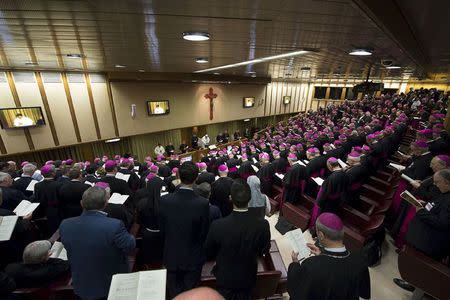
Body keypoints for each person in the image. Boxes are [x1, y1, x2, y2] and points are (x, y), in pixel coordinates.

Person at [60, 186, 135, 300]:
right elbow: (129, 245)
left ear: (81, 203)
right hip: (109, 283)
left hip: (81, 282)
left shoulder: (65, 224)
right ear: (105, 204)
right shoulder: (114, 225)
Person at [205, 180, 271, 300]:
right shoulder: (263, 224)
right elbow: (264, 249)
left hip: (224, 277)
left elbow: (209, 251)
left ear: (230, 198)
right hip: (248, 275)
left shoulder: (218, 225)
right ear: (249, 198)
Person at [287, 213, 370, 300]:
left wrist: (295, 265)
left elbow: (296, 291)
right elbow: (363, 293)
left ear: (321, 235)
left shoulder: (311, 264)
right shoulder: (360, 260)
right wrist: (322, 256)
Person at [159, 162, 209, 298]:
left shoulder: (164, 200)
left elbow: (162, 230)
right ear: (196, 178)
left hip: (171, 256)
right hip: (193, 257)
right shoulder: (203, 203)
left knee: (173, 294)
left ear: (178, 176)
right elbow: (204, 232)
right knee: (191, 294)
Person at [5, 240, 70, 288]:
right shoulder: (49, 270)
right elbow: (66, 265)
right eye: (49, 251)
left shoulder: (10, 268)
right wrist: (48, 258)